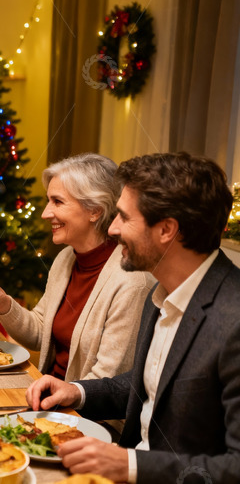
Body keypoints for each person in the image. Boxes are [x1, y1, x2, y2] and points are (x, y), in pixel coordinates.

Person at [25, 152, 240, 483]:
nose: (111, 228)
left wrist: (132, 466)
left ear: (166, 229)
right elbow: (149, 387)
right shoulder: (162, 293)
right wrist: (77, 391)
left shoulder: (233, 319)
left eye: (124, 217)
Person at [0, 154, 154, 381]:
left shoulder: (133, 282)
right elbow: (41, 333)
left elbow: (108, 381)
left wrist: (55, 398)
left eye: (57, 202)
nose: (45, 213)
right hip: (50, 393)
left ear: (95, 210)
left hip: (81, 411)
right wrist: (4, 304)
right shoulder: (67, 257)